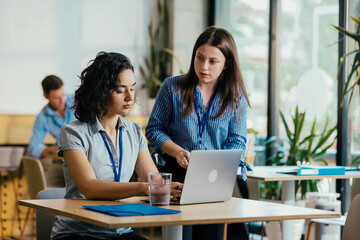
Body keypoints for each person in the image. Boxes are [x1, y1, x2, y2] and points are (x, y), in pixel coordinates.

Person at [51, 52, 182, 240]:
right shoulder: (72, 133)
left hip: (120, 231)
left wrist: (172, 187)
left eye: (132, 88)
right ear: (100, 91)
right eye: (120, 90)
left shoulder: (134, 131)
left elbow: (153, 178)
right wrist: (144, 187)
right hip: (79, 232)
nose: (130, 97)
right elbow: (90, 188)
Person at [145, 26, 251, 240]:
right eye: (199, 58)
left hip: (212, 177)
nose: (204, 67)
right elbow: (154, 130)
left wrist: (217, 160)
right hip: (176, 174)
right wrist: (176, 151)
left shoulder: (234, 95)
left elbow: (237, 140)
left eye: (213, 61)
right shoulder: (171, 87)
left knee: (217, 234)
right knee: (180, 235)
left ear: (226, 64)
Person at [28, 75, 76, 158]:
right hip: (61, 157)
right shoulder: (42, 117)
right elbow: (33, 147)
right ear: (45, 96)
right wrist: (49, 150)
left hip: (86, 153)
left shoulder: (78, 101)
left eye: (63, 95)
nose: (62, 101)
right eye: (56, 98)